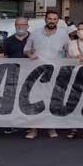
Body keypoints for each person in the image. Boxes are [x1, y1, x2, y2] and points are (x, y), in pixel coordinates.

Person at [24, 10, 70, 140]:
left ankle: (51, 127)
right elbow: (26, 49)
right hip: (37, 72)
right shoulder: (35, 33)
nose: (52, 21)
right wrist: (29, 55)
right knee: (35, 100)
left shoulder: (63, 34)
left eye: (54, 19)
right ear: (45, 19)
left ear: (58, 20)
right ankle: (33, 129)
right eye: (49, 18)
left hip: (55, 72)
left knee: (52, 100)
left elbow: (68, 51)